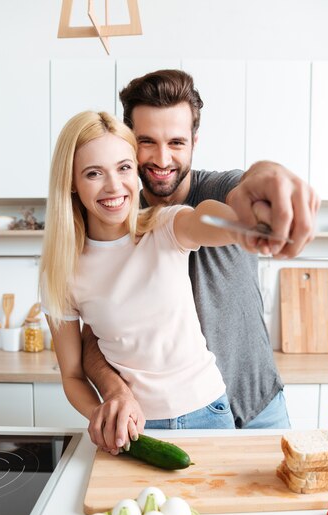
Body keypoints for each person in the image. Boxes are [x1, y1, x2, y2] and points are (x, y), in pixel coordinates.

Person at [80, 69, 320, 454]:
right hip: (169, 422)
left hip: (258, 409)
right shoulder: (114, 218)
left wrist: (271, 178)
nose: (162, 158)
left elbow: (247, 186)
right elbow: (92, 335)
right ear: (128, 142)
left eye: (176, 142)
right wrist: (113, 390)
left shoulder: (217, 190)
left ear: (194, 141)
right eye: (147, 142)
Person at [40, 110, 267, 443]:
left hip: (209, 414)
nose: (114, 185)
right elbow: (72, 375)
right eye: (93, 173)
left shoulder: (164, 227)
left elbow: (204, 219)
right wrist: (102, 413)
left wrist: (245, 222)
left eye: (124, 168)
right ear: (72, 184)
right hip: (134, 429)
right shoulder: (61, 272)